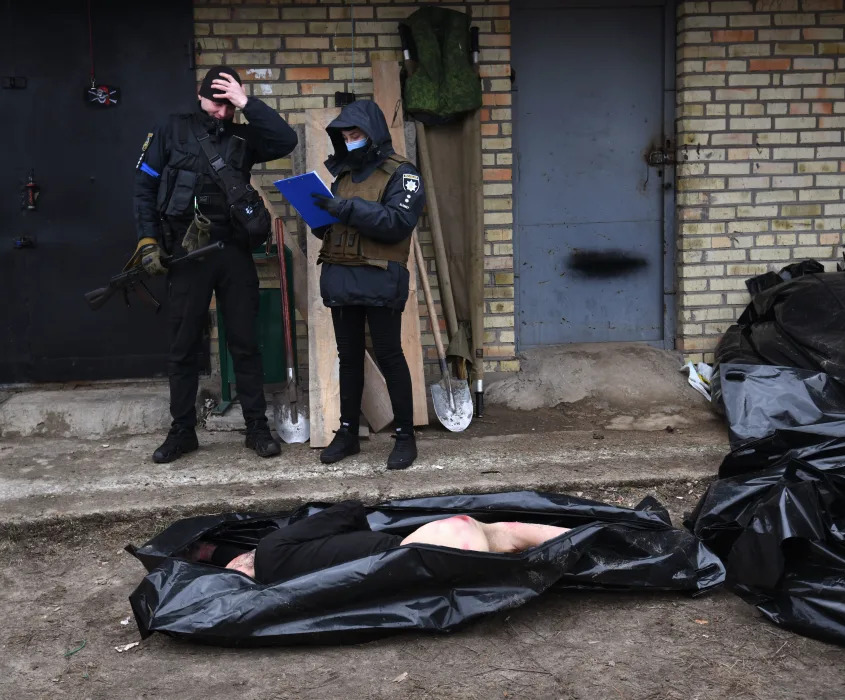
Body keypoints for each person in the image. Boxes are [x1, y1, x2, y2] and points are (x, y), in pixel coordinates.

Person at [132, 66, 298, 464]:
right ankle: (182, 430)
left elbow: (285, 140)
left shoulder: (244, 135)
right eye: (216, 102)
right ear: (200, 96)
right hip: (186, 255)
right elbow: (143, 188)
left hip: (233, 251)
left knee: (244, 341)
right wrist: (148, 241)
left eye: (228, 105)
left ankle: (257, 427)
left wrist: (247, 103)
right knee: (183, 344)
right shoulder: (170, 130)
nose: (221, 112)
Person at [309, 100, 426, 470]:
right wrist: (318, 216)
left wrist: (342, 209)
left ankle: (405, 436)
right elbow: (332, 227)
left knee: (390, 355)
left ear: (373, 133)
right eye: (344, 135)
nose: (349, 140)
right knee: (349, 357)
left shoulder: (403, 173)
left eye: (355, 133)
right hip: (341, 276)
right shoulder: (343, 176)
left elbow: (397, 221)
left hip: (379, 276)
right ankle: (347, 432)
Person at [186, 500, 571, 583]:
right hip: (430, 543)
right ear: (241, 562)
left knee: (505, 543)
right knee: (505, 531)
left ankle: (589, 545)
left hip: (432, 558)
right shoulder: (271, 548)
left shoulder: (280, 586)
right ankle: (594, 540)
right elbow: (344, 513)